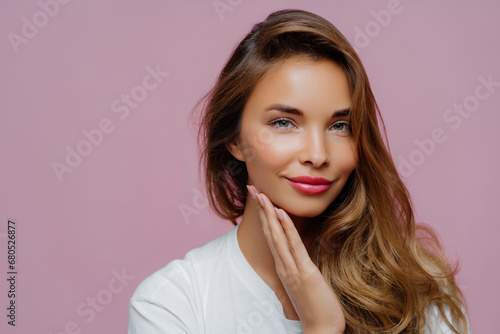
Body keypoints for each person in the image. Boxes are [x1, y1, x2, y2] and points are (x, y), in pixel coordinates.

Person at [128, 9, 471, 334]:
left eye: (340, 126)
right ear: (233, 139)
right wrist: (321, 327)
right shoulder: (172, 303)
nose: (318, 155)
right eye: (283, 122)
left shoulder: (420, 288)